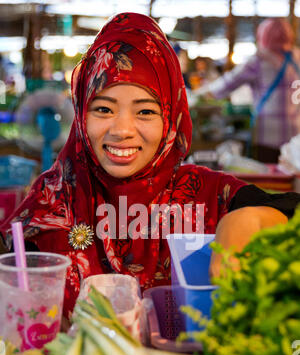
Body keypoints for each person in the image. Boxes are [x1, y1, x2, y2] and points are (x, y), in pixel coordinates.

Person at [0, 12, 299, 327]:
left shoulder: (207, 195)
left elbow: (291, 214)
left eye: (145, 111)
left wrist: (248, 219)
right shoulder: (50, 202)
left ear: (171, 118)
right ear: (80, 111)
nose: (122, 130)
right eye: (103, 109)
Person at [192, 18, 300, 163]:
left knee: (270, 179)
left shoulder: (259, 59)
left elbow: (225, 85)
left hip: (267, 137)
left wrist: (196, 94)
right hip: (296, 137)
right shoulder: (297, 57)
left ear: (263, 36)